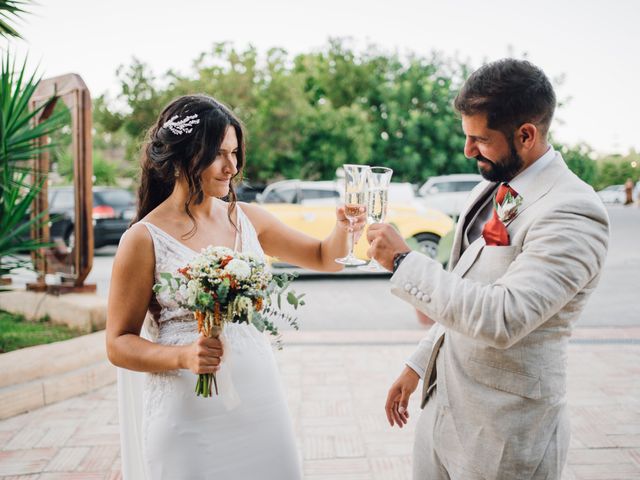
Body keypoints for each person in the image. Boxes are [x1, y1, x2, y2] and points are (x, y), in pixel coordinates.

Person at [367, 59, 610, 479]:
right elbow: (467, 287)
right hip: (442, 411)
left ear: (526, 135)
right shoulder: (490, 190)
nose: (467, 151)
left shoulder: (573, 210)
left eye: (479, 139)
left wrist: (405, 262)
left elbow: (503, 315)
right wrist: (418, 364)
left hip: (506, 433)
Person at [105, 94, 366, 480]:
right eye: (219, 155)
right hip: (188, 414)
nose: (233, 166)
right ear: (182, 156)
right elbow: (118, 343)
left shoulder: (248, 218)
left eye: (235, 152)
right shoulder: (143, 239)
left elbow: (325, 257)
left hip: (260, 404)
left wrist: (344, 228)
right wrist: (181, 358)